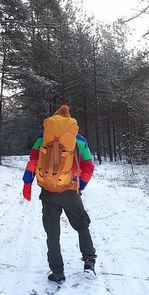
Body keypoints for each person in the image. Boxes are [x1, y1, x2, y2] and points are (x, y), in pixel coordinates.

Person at [22, 105, 96, 284]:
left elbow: (33, 161)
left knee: (52, 232)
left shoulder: (42, 137)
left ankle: (57, 272)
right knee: (81, 225)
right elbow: (89, 167)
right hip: (70, 191)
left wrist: (27, 184)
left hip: (48, 191)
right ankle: (88, 261)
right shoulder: (78, 140)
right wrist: (81, 186)